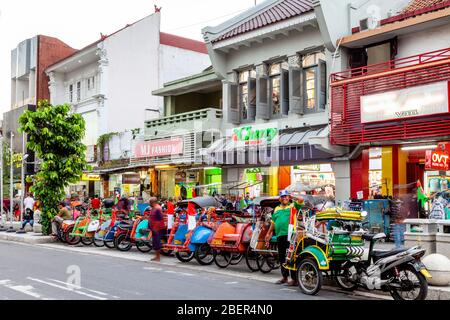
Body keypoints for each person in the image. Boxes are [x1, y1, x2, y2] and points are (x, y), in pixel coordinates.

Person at [265, 190, 304, 286]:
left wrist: (291, 196)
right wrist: (268, 233)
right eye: (282, 197)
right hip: (279, 235)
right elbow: (273, 223)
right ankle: (285, 277)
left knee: (291, 256)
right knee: (282, 257)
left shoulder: (293, 206)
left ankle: (294, 279)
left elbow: (301, 199)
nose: (284, 198)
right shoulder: (277, 209)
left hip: (291, 235)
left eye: (286, 196)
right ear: (280, 198)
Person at [148, 197, 164, 262]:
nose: (149, 204)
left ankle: (158, 257)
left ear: (152, 202)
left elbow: (159, 219)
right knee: (155, 242)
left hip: (157, 228)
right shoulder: (154, 208)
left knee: (157, 242)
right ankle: (156, 256)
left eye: (150, 202)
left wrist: (156, 228)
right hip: (154, 228)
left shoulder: (157, 208)